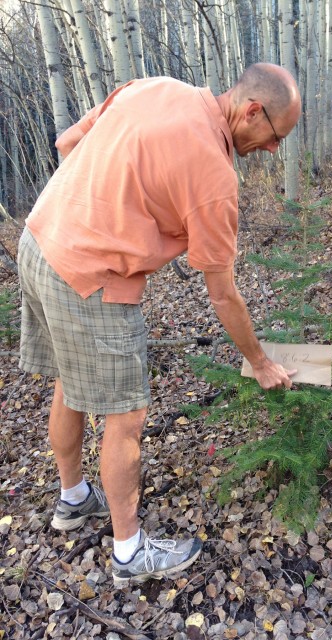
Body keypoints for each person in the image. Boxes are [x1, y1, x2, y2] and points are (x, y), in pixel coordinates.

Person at [17, 63, 302, 586]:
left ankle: (75, 498)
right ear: (253, 110)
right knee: (126, 416)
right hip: (89, 278)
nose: (272, 150)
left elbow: (65, 145)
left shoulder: (156, 87)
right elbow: (222, 293)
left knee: (70, 381)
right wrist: (259, 362)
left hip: (39, 239)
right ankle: (129, 553)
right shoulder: (215, 178)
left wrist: (108, 205)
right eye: (275, 136)